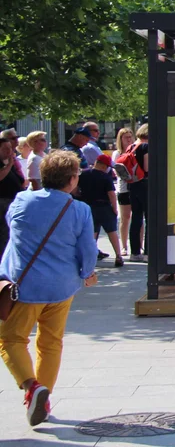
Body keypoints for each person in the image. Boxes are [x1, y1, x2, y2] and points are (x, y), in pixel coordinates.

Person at [0, 150, 98, 426]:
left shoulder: (22, 201)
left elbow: (13, 228)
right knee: (51, 342)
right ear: (71, 179)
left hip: (25, 286)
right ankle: (44, 395)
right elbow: (87, 248)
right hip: (62, 285)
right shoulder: (79, 209)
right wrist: (87, 273)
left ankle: (32, 388)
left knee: (11, 340)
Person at [78, 155, 123, 268]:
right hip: (104, 206)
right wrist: (115, 209)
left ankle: (89, 258)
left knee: (92, 233)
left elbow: (75, 190)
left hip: (88, 207)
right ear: (103, 166)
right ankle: (118, 255)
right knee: (112, 231)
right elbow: (111, 194)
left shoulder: (83, 175)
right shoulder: (105, 177)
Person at [126, 125, 150, 262]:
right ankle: (148, 252)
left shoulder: (132, 146)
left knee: (136, 218)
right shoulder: (145, 147)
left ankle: (134, 253)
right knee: (149, 219)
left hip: (133, 184)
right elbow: (147, 167)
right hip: (145, 184)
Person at [112, 128, 135, 256]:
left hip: (136, 187)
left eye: (130, 136)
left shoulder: (136, 150)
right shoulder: (117, 153)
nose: (128, 139)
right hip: (124, 188)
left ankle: (137, 245)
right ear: (120, 139)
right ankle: (124, 246)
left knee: (137, 217)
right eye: (125, 137)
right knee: (125, 218)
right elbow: (118, 172)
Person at [0, 138, 25, 256]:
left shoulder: (11, 162)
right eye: (5, 148)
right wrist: (9, 165)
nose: (9, 151)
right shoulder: (6, 164)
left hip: (14, 201)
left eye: (10, 148)